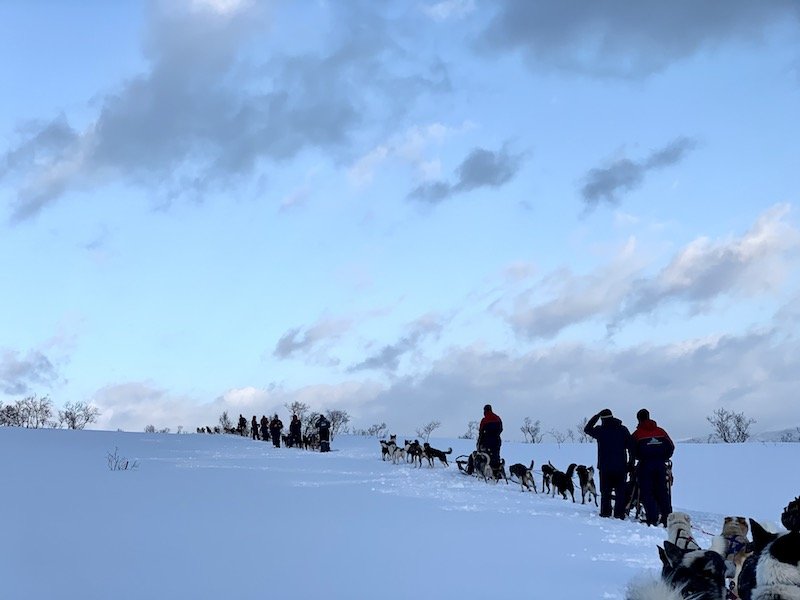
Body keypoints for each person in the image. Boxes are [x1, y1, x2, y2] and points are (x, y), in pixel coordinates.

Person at [583, 408, 634, 519]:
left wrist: (596, 415)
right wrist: (630, 463)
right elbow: (631, 448)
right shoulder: (622, 430)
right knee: (620, 492)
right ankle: (619, 514)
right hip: (621, 467)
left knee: (605, 492)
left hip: (605, 467)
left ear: (602, 419)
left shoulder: (600, 430)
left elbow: (587, 429)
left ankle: (606, 512)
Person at [632, 408, 675, 527]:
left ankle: (652, 517)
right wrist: (664, 457)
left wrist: (638, 458)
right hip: (661, 465)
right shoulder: (661, 431)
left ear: (638, 419)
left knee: (647, 492)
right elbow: (671, 446)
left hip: (645, 465)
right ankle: (667, 517)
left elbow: (632, 450)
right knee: (662, 491)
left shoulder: (637, 434)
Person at [477, 404, 503, 468]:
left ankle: (485, 469)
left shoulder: (484, 420)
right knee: (496, 455)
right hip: (497, 440)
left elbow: (480, 432)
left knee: (485, 455)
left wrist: (479, 442)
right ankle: (497, 469)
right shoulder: (497, 418)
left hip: (486, 441)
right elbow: (501, 429)